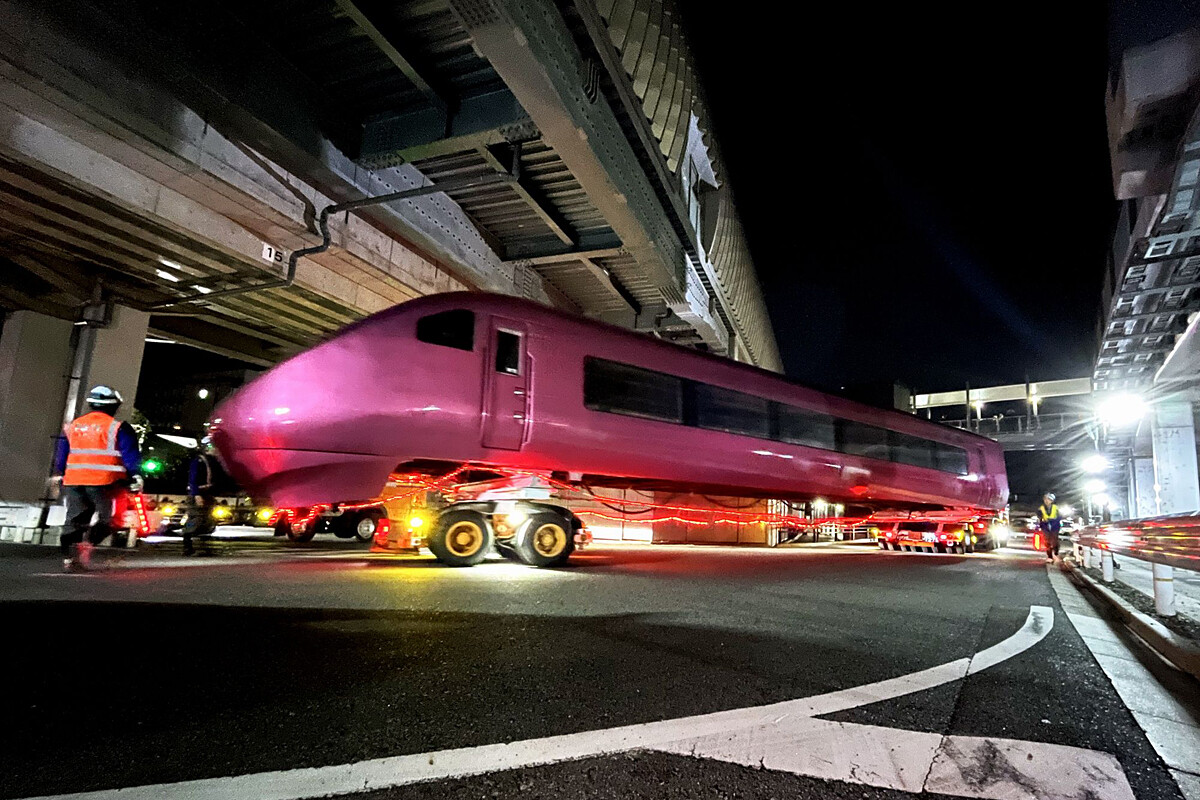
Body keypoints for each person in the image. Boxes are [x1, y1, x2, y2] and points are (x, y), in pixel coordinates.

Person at [54, 386, 142, 570]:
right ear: (114, 406)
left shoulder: (73, 427)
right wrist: (136, 476)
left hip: (74, 481)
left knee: (75, 520)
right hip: (106, 482)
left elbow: (62, 456)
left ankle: (69, 558)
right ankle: (86, 546)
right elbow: (130, 454)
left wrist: (61, 475)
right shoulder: (118, 427)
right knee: (110, 519)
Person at [183, 436, 217, 556]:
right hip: (198, 494)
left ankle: (202, 547)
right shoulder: (198, 461)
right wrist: (196, 495)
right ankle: (187, 542)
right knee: (195, 519)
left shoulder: (209, 461)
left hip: (206, 494)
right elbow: (193, 479)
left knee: (205, 520)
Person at [1037, 492, 1062, 563]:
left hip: (1055, 525)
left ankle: (1056, 552)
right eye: (1045, 499)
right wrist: (1042, 522)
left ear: (1052, 501)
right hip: (1045, 525)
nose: (1046, 501)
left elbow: (1060, 516)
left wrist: (1055, 520)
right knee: (1047, 541)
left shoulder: (1056, 508)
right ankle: (1049, 556)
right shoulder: (1041, 508)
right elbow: (1039, 517)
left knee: (1054, 541)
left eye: (1048, 499)